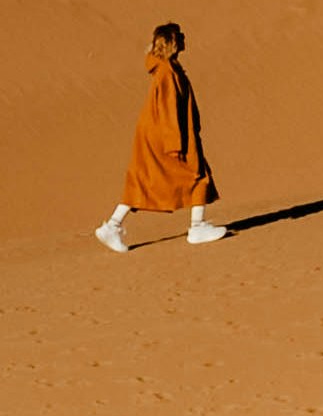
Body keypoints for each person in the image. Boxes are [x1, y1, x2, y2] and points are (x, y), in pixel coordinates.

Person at [96, 21, 226, 251]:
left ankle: (113, 226)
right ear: (172, 42)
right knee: (197, 174)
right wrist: (175, 143)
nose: (185, 38)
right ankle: (197, 227)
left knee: (144, 179)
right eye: (180, 36)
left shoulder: (168, 67)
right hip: (165, 133)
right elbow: (168, 108)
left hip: (154, 133)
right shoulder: (166, 71)